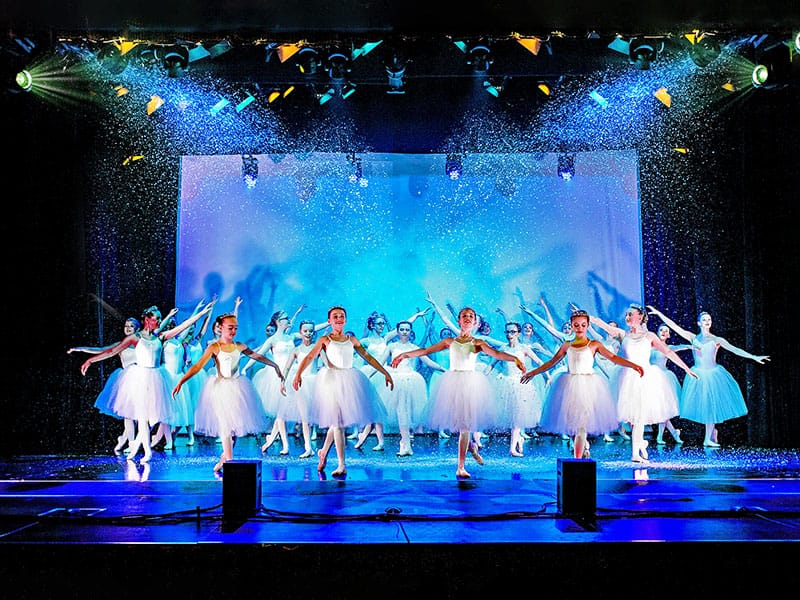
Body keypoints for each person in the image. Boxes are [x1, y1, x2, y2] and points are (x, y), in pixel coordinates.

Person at [391, 306, 525, 479]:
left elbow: (497, 353)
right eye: (464, 316)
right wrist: (404, 355)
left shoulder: (477, 343)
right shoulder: (449, 342)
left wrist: (515, 358)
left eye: (471, 316)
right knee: (458, 425)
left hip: (471, 385)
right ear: (459, 321)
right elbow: (425, 351)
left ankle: (460, 466)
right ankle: (472, 448)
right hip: (452, 385)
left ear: (475, 321)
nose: (468, 318)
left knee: (465, 426)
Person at [80, 302, 215, 463]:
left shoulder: (160, 337)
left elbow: (183, 327)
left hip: (157, 378)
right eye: (156, 318)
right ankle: (146, 451)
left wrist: (200, 315)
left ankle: (138, 446)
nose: (158, 321)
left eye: (159, 319)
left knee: (152, 417)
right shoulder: (135, 338)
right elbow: (111, 351)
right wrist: (91, 360)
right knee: (142, 417)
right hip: (139, 378)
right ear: (147, 320)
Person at [521, 309, 644, 459]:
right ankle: (583, 447)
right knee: (572, 427)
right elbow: (551, 362)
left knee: (581, 426)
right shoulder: (567, 345)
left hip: (588, 387)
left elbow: (613, 357)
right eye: (576, 325)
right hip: (568, 386)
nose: (580, 328)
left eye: (583, 325)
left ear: (587, 326)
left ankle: (577, 460)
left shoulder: (594, 344)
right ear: (572, 326)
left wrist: (633, 365)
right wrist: (533, 372)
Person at [172, 312, 283, 473]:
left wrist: (275, 365)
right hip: (220, 390)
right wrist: (181, 381)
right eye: (230, 328)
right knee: (225, 427)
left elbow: (256, 355)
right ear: (220, 327)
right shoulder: (214, 347)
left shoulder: (239, 346)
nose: (233, 331)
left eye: (235, 328)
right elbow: (197, 366)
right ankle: (229, 463)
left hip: (238, 389)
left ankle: (223, 459)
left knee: (235, 430)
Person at [647, 306, 770, 447]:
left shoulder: (716, 339)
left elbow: (735, 349)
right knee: (705, 406)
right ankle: (710, 435)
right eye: (704, 319)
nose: (707, 321)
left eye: (709, 319)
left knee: (711, 406)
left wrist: (754, 357)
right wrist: (659, 313)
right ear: (699, 323)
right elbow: (674, 326)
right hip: (698, 374)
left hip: (713, 375)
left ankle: (708, 438)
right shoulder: (693, 338)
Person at [293, 306, 393, 478]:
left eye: (341, 316)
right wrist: (298, 374)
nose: (339, 319)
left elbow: (367, 357)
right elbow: (310, 357)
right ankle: (341, 464)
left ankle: (323, 452)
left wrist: (385, 372)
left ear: (345, 320)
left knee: (337, 422)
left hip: (350, 380)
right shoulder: (325, 339)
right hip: (330, 381)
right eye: (335, 316)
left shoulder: (351, 339)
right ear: (330, 321)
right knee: (338, 423)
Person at [590, 305, 698, 463]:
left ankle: (635, 454)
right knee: (632, 418)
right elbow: (603, 325)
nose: (627, 317)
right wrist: (588, 318)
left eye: (630, 314)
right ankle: (640, 443)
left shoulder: (650, 336)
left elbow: (668, 352)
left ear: (640, 317)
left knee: (639, 416)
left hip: (645, 378)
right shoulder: (622, 334)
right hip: (626, 377)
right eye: (626, 314)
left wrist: (686, 369)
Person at [68, 316, 141, 454]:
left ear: (137, 329)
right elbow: (103, 350)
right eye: (126, 325)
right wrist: (81, 349)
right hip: (128, 380)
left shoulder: (143, 342)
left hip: (144, 379)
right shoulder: (121, 344)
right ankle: (131, 443)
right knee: (129, 414)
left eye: (131, 326)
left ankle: (124, 439)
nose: (127, 328)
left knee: (142, 416)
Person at [378, 320, 446, 456]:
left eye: (407, 330)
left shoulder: (415, 347)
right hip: (395, 381)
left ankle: (405, 444)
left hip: (411, 381)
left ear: (410, 332)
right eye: (402, 329)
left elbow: (429, 362)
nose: (404, 332)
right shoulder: (391, 346)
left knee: (406, 413)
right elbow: (379, 362)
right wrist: (369, 375)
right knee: (400, 411)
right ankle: (406, 444)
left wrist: (444, 369)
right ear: (397, 331)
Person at [487, 321, 547, 457]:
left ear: (518, 333)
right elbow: (491, 364)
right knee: (511, 417)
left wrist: (547, 375)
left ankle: (512, 449)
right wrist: (481, 377)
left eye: (513, 332)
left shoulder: (524, 348)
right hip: (506, 384)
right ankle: (518, 439)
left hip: (521, 385)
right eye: (507, 332)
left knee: (517, 418)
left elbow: (539, 362)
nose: (510, 334)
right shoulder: (502, 348)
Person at [651, 324, 692, 445]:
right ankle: (674, 432)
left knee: (662, 409)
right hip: (650, 379)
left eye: (666, 331)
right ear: (657, 332)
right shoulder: (649, 345)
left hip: (663, 379)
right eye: (661, 330)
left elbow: (680, 347)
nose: (663, 332)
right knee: (659, 410)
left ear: (668, 335)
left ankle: (660, 436)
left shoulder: (668, 347)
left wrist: (691, 346)